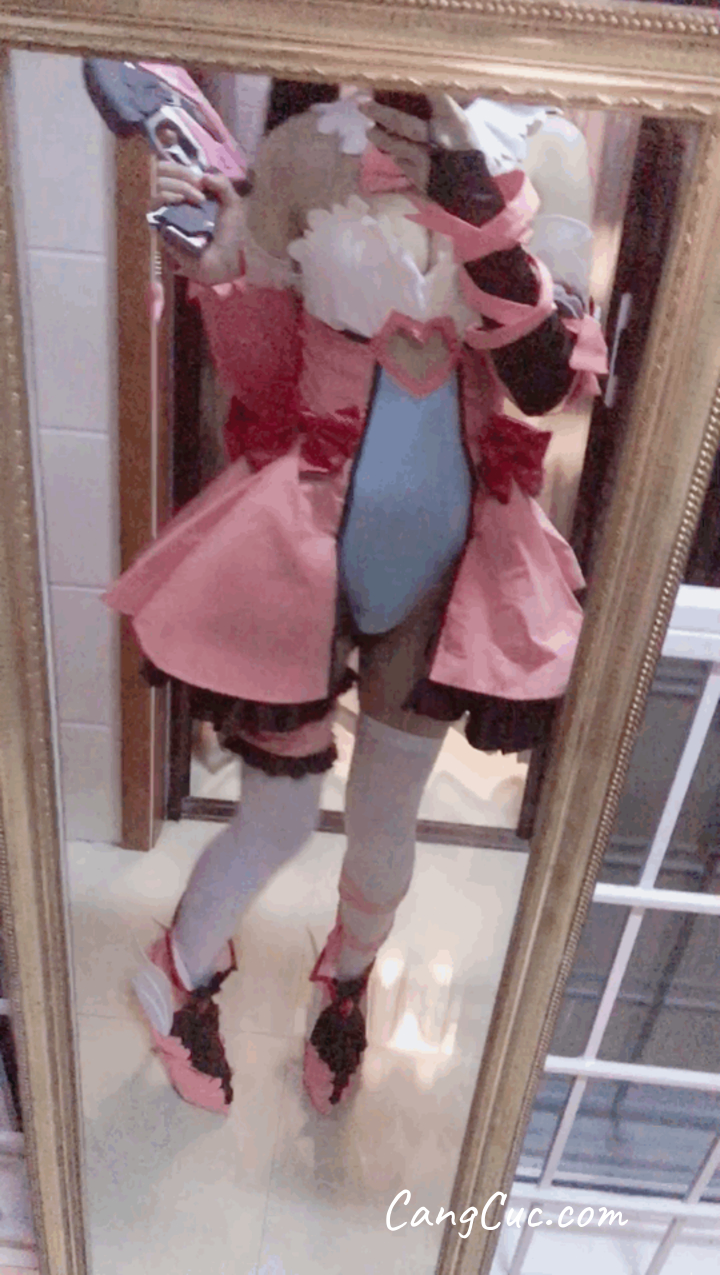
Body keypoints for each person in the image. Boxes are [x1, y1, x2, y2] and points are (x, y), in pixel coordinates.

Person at [106, 83, 607, 1116]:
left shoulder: (551, 150)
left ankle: (347, 980)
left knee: (383, 825)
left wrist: (480, 212)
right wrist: (220, 274)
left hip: (450, 553)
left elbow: (545, 385)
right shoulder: (300, 146)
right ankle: (176, 971)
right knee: (277, 816)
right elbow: (264, 382)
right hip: (305, 539)